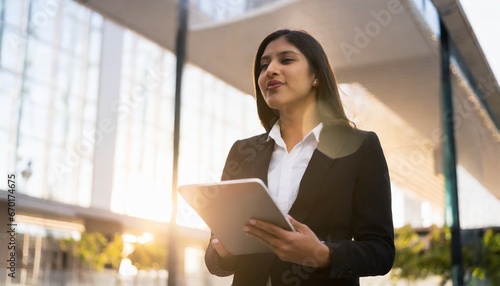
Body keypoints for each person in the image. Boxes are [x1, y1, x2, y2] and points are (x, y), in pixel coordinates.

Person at [204, 29, 395, 286]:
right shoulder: (243, 151)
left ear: (316, 75)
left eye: (286, 60)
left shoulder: (360, 146)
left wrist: (322, 254)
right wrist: (223, 252)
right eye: (263, 65)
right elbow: (216, 261)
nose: (270, 69)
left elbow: (380, 252)